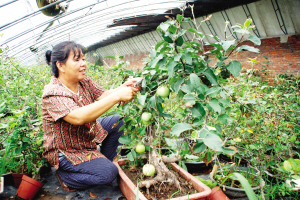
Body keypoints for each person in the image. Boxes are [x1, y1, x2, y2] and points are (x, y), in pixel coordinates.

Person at [42, 41, 141, 192]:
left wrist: (124, 87)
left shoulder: (82, 81)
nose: (83, 64)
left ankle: (100, 163)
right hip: (67, 152)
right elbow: (79, 117)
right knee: (109, 174)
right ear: (60, 66)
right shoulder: (53, 93)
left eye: (83, 59)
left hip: (84, 137)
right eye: (77, 60)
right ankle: (66, 177)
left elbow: (103, 95)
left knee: (118, 121)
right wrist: (118, 97)